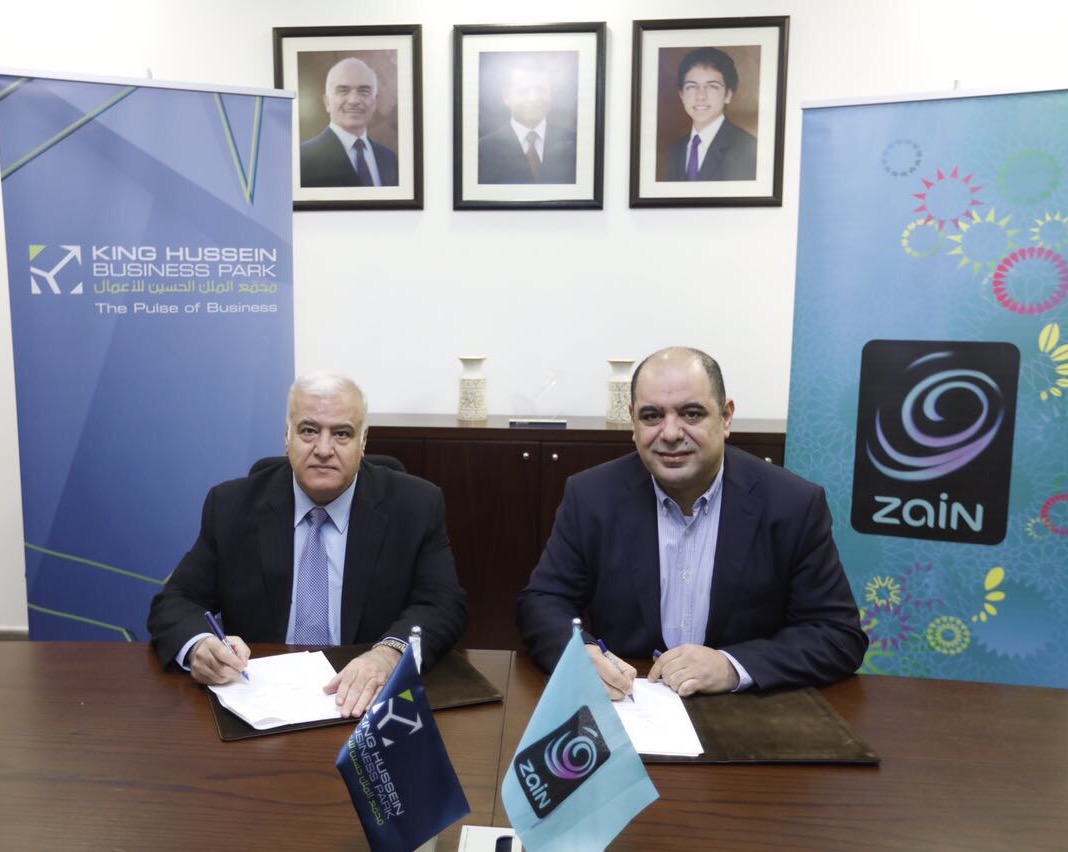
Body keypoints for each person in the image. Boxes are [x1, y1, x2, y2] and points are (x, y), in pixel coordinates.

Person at [518, 347, 868, 700]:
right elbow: (543, 601)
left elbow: (837, 635)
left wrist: (732, 666)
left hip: (744, 711)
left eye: (691, 413)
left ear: (726, 417)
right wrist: (580, 653)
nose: (670, 433)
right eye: (652, 416)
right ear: (633, 422)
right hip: (629, 703)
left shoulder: (791, 504)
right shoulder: (592, 496)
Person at [148, 372, 466, 717]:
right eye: (309, 431)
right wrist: (200, 645)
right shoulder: (231, 507)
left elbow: (443, 605)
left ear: (363, 442)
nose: (324, 450)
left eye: (341, 434)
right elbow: (177, 601)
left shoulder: (415, 506)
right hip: (260, 704)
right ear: (287, 436)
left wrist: (389, 654)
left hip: (365, 706)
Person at [299, 57, 399, 187]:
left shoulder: (390, 159)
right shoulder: (302, 158)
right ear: (327, 102)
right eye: (343, 91)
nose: (354, 101)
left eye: (363, 91)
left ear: (374, 102)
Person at [663, 47, 757, 182]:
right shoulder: (675, 150)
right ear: (682, 95)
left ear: (728, 95)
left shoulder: (749, 149)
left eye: (712, 86)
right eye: (691, 87)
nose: (700, 96)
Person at [478, 59, 576, 184]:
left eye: (540, 90)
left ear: (550, 94)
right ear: (506, 96)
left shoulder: (576, 144)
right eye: (523, 91)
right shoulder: (483, 151)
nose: (533, 98)